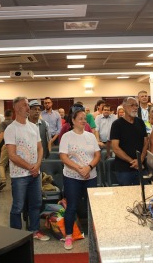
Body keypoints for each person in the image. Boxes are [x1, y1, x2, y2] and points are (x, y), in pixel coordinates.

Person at [5, 97, 49, 241]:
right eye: (25, 105)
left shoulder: (33, 127)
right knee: (18, 206)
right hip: (19, 176)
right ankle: (16, 236)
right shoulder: (11, 129)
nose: (28, 107)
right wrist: (31, 167)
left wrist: (37, 166)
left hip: (35, 174)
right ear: (17, 108)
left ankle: (34, 230)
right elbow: (12, 155)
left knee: (36, 204)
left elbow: (40, 148)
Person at [59, 107, 100, 250]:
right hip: (72, 177)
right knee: (72, 206)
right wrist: (79, 169)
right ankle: (69, 236)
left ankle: (95, 234)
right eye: (81, 118)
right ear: (73, 121)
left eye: (85, 118)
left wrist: (88, 167)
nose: (84, 121)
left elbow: (97, 155)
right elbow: (63, 157)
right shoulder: (67, 136)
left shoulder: (90, 136)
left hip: (90, 176)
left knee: (92, 206)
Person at [110, 97, 148, 186]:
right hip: (124, 169)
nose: (135, 107)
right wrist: (133, 162)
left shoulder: (140, 122)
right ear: (124, 107)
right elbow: (115, 148)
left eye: (136, 105)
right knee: (126, 196)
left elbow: (146, 142)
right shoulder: (117, 124)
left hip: (141, 167)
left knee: (145, 193)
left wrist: (140, 159)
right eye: (132, 105)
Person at [0, 109, 14, 191]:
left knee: (2, 164)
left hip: (7, 145)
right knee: (14, 163)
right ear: (12, 115)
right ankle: (14, 181)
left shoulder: (3, 123)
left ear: (4, 115)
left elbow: (2, 134)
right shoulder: (15, 123)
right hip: (16, 145)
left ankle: (2, 180)